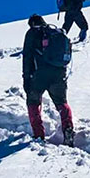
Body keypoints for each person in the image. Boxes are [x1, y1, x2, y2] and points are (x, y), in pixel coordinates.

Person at [22, 14, 75, 146]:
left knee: (33, 102)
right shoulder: (56, 33)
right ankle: (68, 128)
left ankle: (39, 134)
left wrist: (26, 77)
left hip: (39, 74)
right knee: (62, 103)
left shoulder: (32, 33)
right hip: (58, 72)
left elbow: (27, 56)